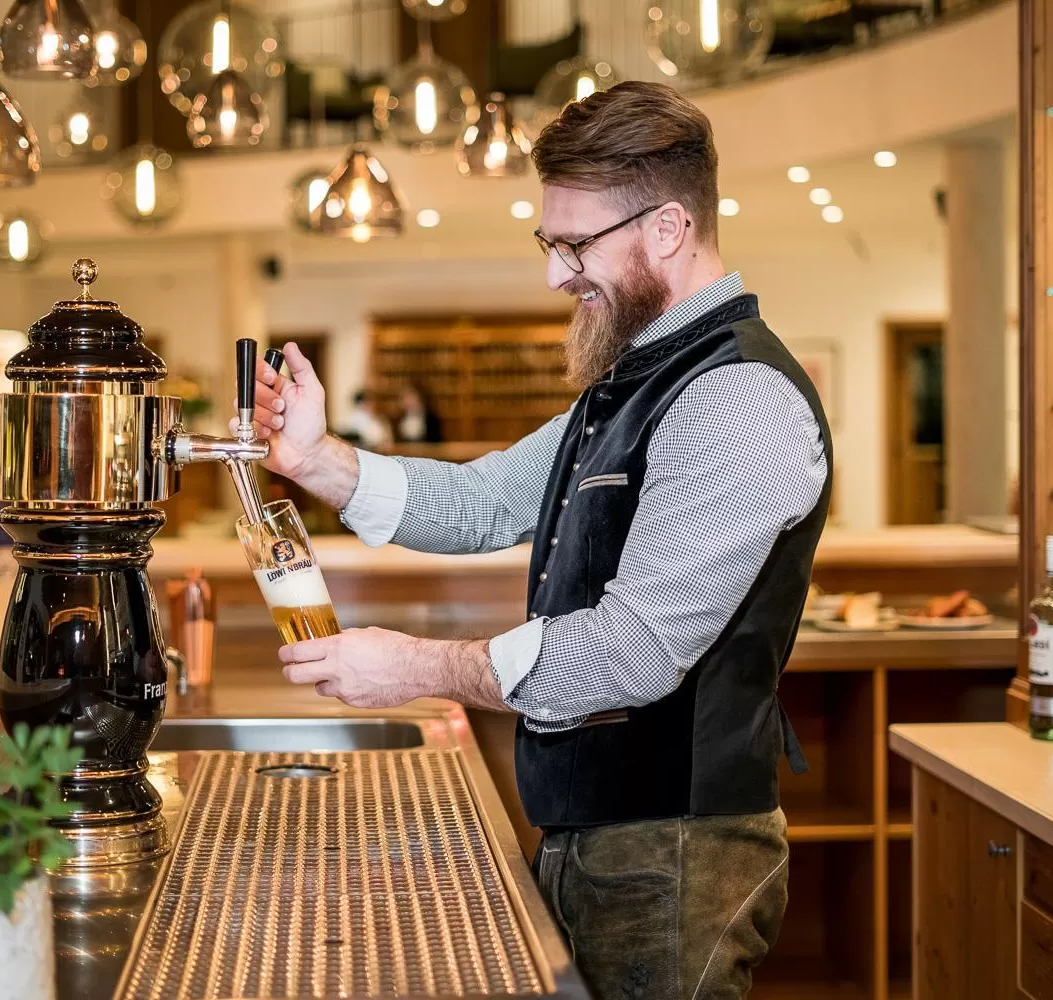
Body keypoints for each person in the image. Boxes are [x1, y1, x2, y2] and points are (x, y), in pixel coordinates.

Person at [245, 81, 830, 1000]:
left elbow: (631, 652)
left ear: (668, 228)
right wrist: (317, 460)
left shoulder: (737, 399)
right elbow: (483, 500)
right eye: (548, 244)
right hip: (601, 840)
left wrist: (419, 667)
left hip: (676, 854)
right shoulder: (639, 383)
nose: (557, 274)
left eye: (574, 245)